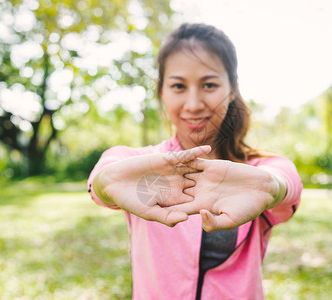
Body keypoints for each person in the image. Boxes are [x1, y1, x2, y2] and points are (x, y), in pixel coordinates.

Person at [88, 23, 302, 300]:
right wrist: (107, 181)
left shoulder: (255, 173)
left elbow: (286, 179)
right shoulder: (139, 165)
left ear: (233, 88)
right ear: (161, 91)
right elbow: (105, 175)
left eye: (209, 85)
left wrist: (273, 186)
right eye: (178, 86)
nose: (193, 104)